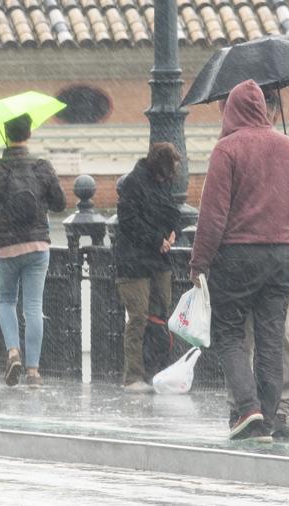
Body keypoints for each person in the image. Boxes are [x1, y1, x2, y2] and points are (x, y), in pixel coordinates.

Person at [189, 80, 289, 442]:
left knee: (229, 335)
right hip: (281, 255)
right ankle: (269, 418)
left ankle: (248, 408)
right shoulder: (287, 146)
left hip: (238, 255)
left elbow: (212, 215)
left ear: (232, 110)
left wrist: (199, 263)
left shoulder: (227, 149)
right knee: (272, 339)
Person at [224, 87, 289, 440]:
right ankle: (245, 406)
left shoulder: (288, 149)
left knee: (278, 338)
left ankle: (276, 409)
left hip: (275, 258)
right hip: (266, 256)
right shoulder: (233, 148)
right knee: (250, 337)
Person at [0, 114, 66, 387]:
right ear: (28, 134)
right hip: (38, 246)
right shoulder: (42, 167)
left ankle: (13, 351)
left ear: (6, 134)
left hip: (6, 248)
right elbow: (60, 204)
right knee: (34, 307)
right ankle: (33, 371)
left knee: (6, 301)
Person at [113, 142, 181, 393]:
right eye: (170, 170)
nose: (172, 176)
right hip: (134, 262)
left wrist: (172, 234)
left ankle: (157, 371)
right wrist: (156, 240)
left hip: (159, 259)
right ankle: (133, 376)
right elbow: (129, 221)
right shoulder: (134, 183)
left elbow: (171, 212)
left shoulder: (164, 182)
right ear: (160, 166)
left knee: (160, 315)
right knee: (139, 317)